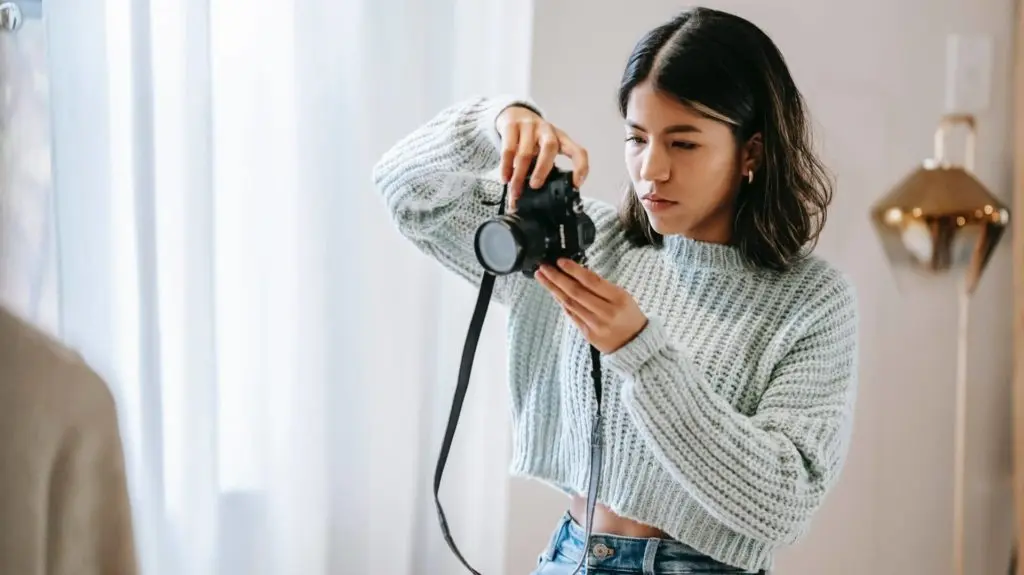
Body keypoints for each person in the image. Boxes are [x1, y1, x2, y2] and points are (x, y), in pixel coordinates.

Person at [373, 6, 858, 575]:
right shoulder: (588, 246)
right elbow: (406, 194)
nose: (652, 169)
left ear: (750, 151)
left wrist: (643, 354)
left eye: (683, 144)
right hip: (569, 556)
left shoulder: (811, 300)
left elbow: (783, 503)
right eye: (636, 138)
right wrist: (496, 122)